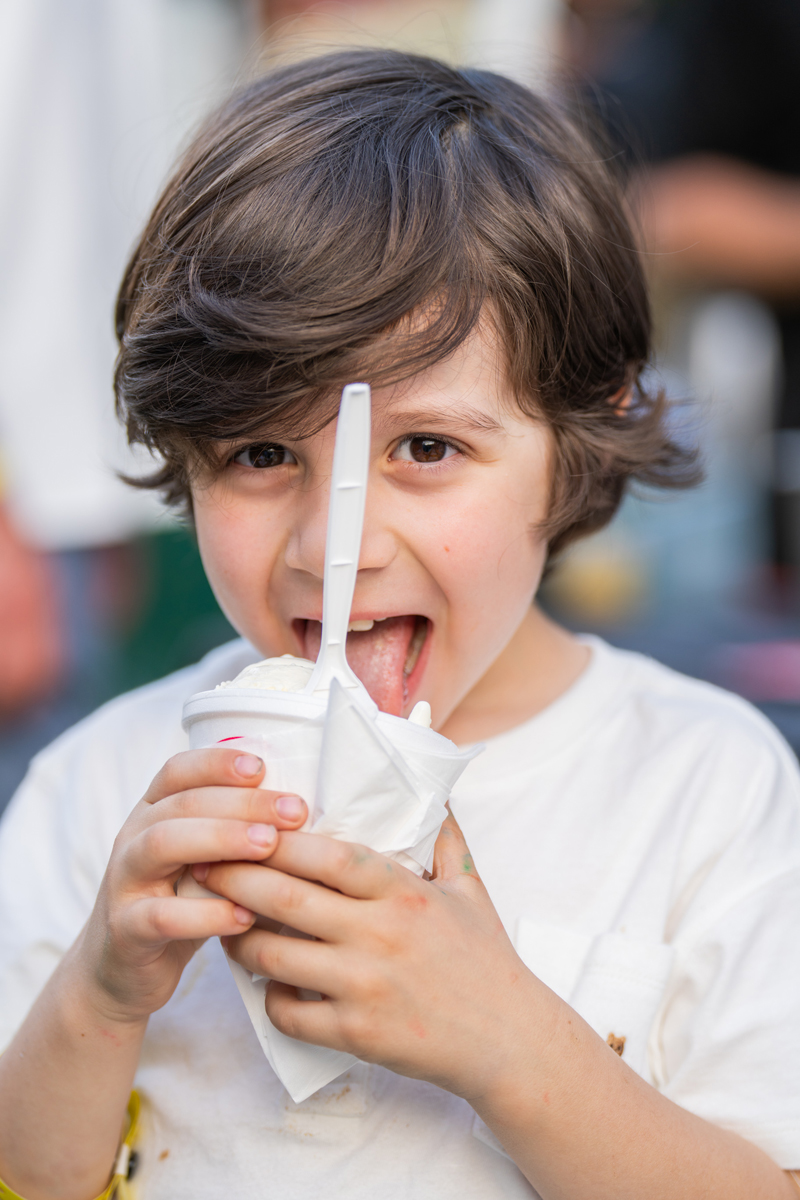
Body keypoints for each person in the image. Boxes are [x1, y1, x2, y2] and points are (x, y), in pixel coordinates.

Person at [0, 49, 798, 1200]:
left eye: (425, 447)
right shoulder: (102, 792)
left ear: (578, 433)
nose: (337, 542)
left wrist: (510, 1046)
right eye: (260, 453)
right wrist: (100, 995)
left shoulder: (706, 793)